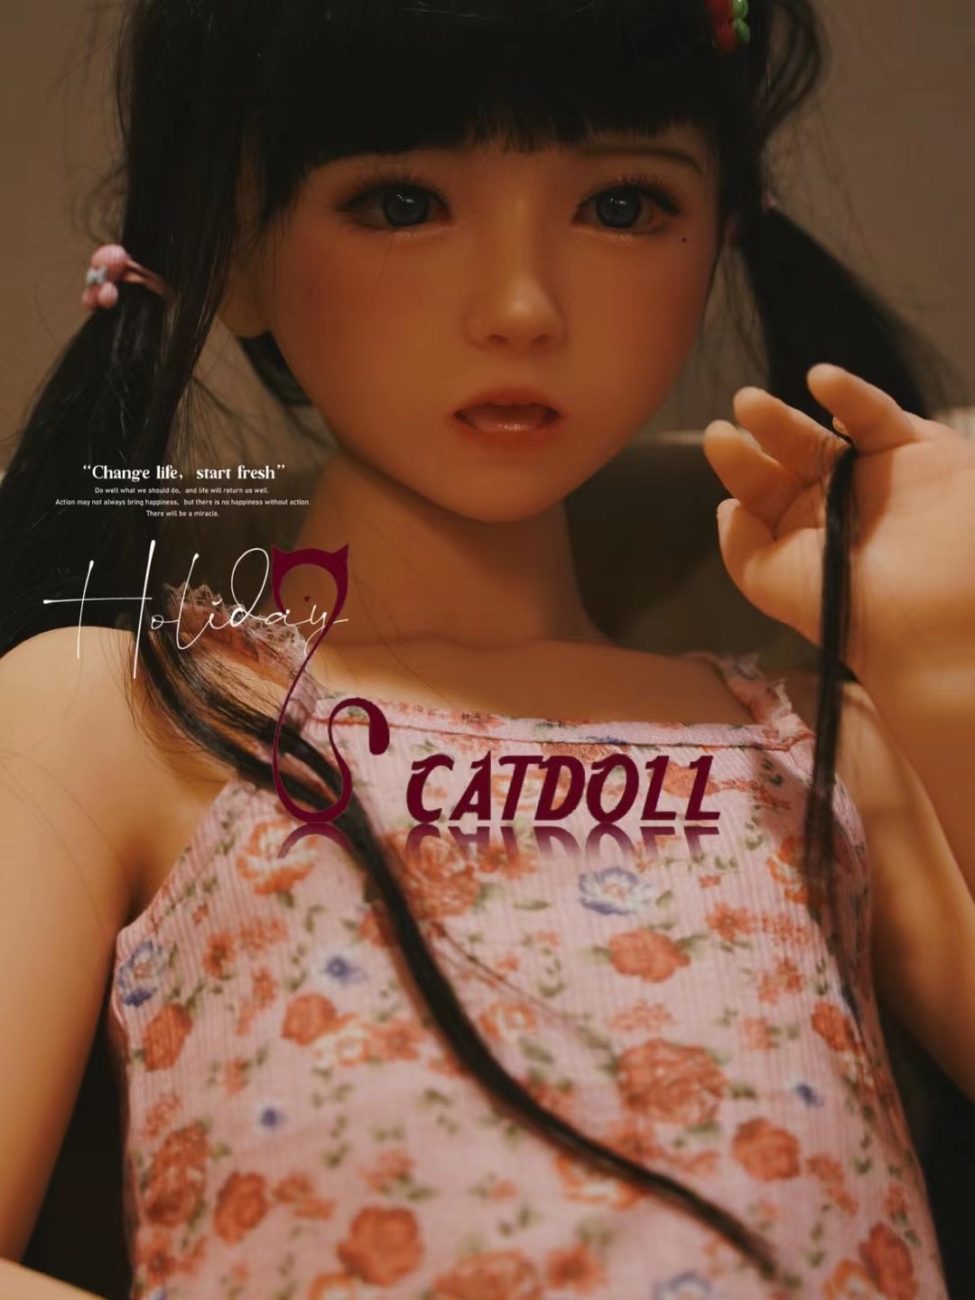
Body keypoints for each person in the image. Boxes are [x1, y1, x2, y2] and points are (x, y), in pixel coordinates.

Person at [1, 1, 973, 1296]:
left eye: (622, 205)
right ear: (232, 248)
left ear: (722, 230)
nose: (522, 308)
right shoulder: (117, 713)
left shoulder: (825, 748)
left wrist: (952, 671)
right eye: (401, 203)